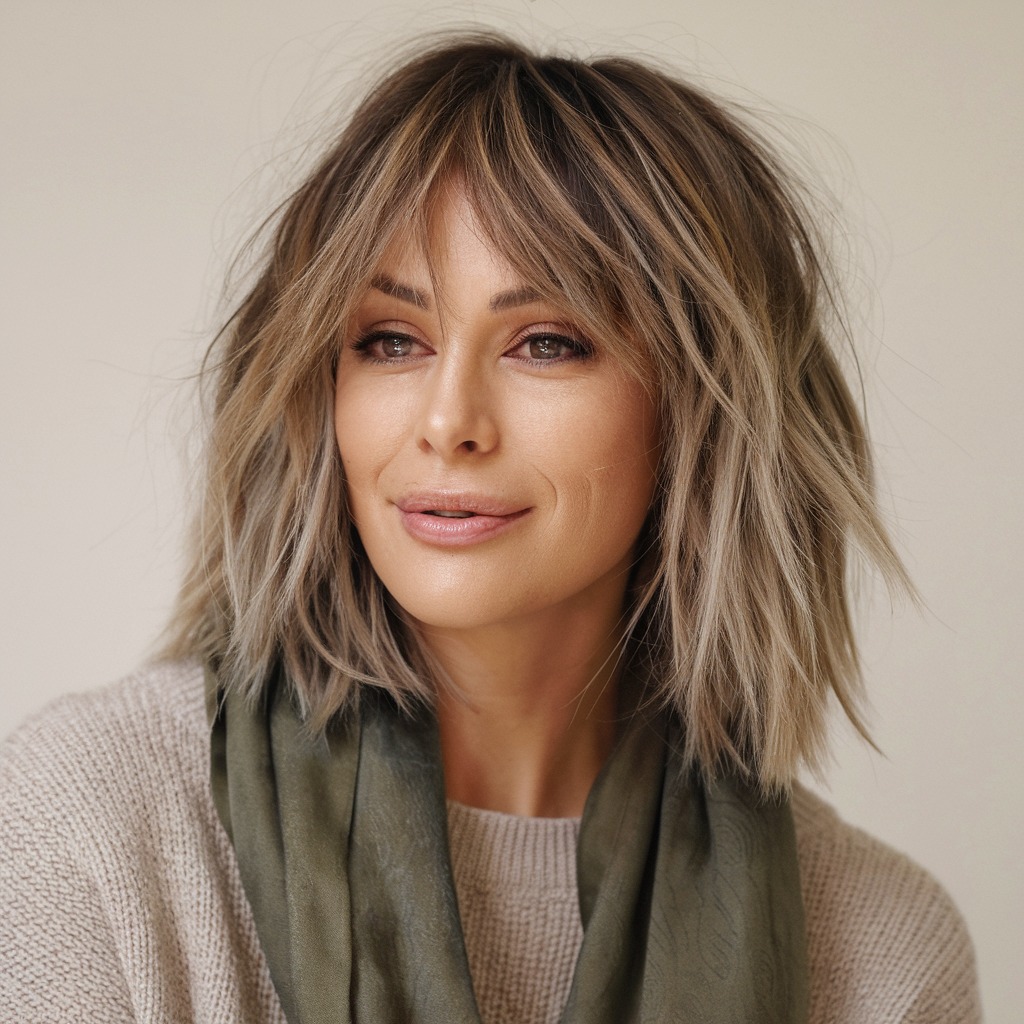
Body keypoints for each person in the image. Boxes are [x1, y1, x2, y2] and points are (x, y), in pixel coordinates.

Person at [0, 32, 981, 1024]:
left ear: (702, 408)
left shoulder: (877, 949)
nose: (445, 420)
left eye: (545, 342)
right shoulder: (96, 828)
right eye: (391, 340)